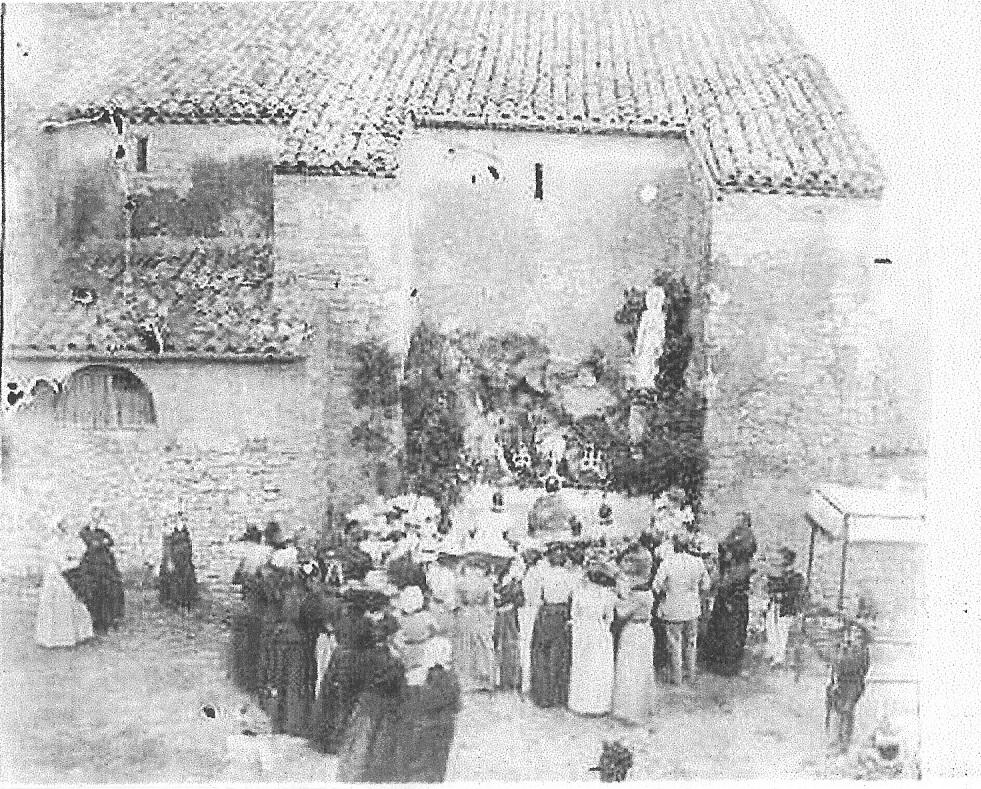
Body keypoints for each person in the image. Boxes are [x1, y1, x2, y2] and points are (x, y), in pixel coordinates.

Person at [308, 586, 394, 755]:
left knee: (332, 697)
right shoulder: (365, 623)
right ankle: (339, 740)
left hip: (339, 658)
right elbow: (372, 639)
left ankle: (324, 738)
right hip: (356, 661)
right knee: (348, 701)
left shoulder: (343, 620)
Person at [335, 635, 406, 783]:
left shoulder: (363, 657)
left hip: (365, 704)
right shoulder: (395, 662)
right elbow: (399, 687)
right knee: (375, 743)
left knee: (358, 743)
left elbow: (353, 682)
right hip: (381, 707)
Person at [393, 637, 462, 782]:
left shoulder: (428, 677)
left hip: (425, 728)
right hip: (444, 728)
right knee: (437, 766)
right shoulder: (451, 677)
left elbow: (417, 703)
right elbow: (457, 706)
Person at [652, 534, 711, 685]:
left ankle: (677, 677)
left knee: (674, 643)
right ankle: (690, 674)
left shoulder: (668, 562)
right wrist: (697, 596)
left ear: (674, 546)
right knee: (691, 642)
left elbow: (656, 586)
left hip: (673, 608)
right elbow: (706, 585)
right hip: (692, 608)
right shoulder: (697, 562)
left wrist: (666, 592)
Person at [705, 511, 757, 676]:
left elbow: (734, 548)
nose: (737, 523)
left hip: (734, 597)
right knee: (721, 626)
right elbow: (724, 545)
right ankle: (716, 659)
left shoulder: (742, 563)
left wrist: (729, 550)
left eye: (740, 521)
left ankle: (728, 664)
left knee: (732, 629)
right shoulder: (735, 535)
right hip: (728, 592)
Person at [35, 515, 94, 648]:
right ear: (58, 528)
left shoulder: (65, 541)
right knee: (58, 603)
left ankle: (75, 635)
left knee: (70, 602)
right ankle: (55, 638)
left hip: (62, 574)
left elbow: (79, 550)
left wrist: (75, 559)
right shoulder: (52, 544)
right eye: (63, 527)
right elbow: (61, 563)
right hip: (56, 576)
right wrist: (74, 563)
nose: (65, 530)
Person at [529, 543, 576, 708]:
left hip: (549, 612)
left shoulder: (544, 574)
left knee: (545, 653)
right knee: (558, 654)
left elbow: (534, 597)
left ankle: (545, 696)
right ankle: (556, 695)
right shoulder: (569, 576)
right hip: (558, 612)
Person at [568, 561, 617, 715]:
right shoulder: (607, 595)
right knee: (598, 666)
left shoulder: (580, 592)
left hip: (583, 629)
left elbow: (574, 614)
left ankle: (582, 703)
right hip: (599, 629)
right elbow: (609, 618)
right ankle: (599, 704)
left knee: (583, 665)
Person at [66, 507, 125, 634]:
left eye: (99, 518)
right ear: (91, 516)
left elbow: (110, 543)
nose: (97, 520)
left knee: (110, 589)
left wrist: (103, 543)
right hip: (90, 567)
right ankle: (95, 621)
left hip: (104, 566)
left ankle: (108, 620)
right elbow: (91, 545)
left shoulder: (103, 532)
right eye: (95, 517)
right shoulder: (84, 532)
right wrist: (100, 543)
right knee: (93, 591)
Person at [611, 570, 655, 724]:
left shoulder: (638, 596)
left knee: (630, 668)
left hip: (634, 630)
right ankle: (643, 706)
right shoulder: (648, 594)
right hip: (645, 630)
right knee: (643, 668)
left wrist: (617, 598)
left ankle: (631, 710)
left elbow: (622, 613)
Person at [826, 621, 871, 751]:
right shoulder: (841, 648)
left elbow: (861, 668)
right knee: (835, 709)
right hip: (839, 682)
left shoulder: (862, 650)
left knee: (847, 710)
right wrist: (833, 681)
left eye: (857, 634)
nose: (852, 636)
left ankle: (845, 741)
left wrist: (846, 655)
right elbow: (834, 665)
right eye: (850, 633)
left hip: (854, 682)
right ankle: (835, 739)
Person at [453, 555, 496, 692]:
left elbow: (457, 602)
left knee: (466, 643)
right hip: (481, 614)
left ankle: (468, 679)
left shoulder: (461, 582)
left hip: (466, 613)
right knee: (482, 643)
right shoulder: (486, 583)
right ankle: (484, 678)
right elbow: (490, 605)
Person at [765, 547, 806, 667]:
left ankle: (779, 657)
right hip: (775, 604)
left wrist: (782, 594)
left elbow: (795, 592)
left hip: (786, 607)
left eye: (781, 559)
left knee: (781, 631)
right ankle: (773, 652)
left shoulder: (796, 576)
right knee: (771, 628)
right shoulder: (778, 574)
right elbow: (770, 586)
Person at [493, 558, 525, 692]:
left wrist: (504, 598)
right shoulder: (498, 579)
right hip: (500, 615)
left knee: (510, 645)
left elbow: (520, 600)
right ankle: (500, 679)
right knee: (498, 644)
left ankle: (512, 679)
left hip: (510, 615)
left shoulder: (515, 582)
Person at [518, 546, 544, 696]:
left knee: (528, 645)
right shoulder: (527, 572)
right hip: (526, 611)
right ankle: (525, 680)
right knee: (524, 645)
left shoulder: (535, 573)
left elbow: (536, 595)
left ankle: (527, 682)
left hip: (532, 611)